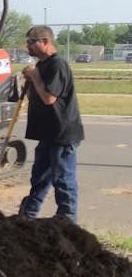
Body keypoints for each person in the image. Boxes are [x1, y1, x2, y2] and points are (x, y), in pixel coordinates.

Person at [18, 25, 84, 222]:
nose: (27, 46)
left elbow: (49, 99)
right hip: (48, 133)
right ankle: (27, 217)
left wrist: (35, 76)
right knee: (39, 178)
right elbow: (36, 96)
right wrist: (27, 82)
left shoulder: (58, 65)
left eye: (31, 41)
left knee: (63, 179)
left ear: (44, 42)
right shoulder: (41, 66)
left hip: (62, 132)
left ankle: (67, 221)